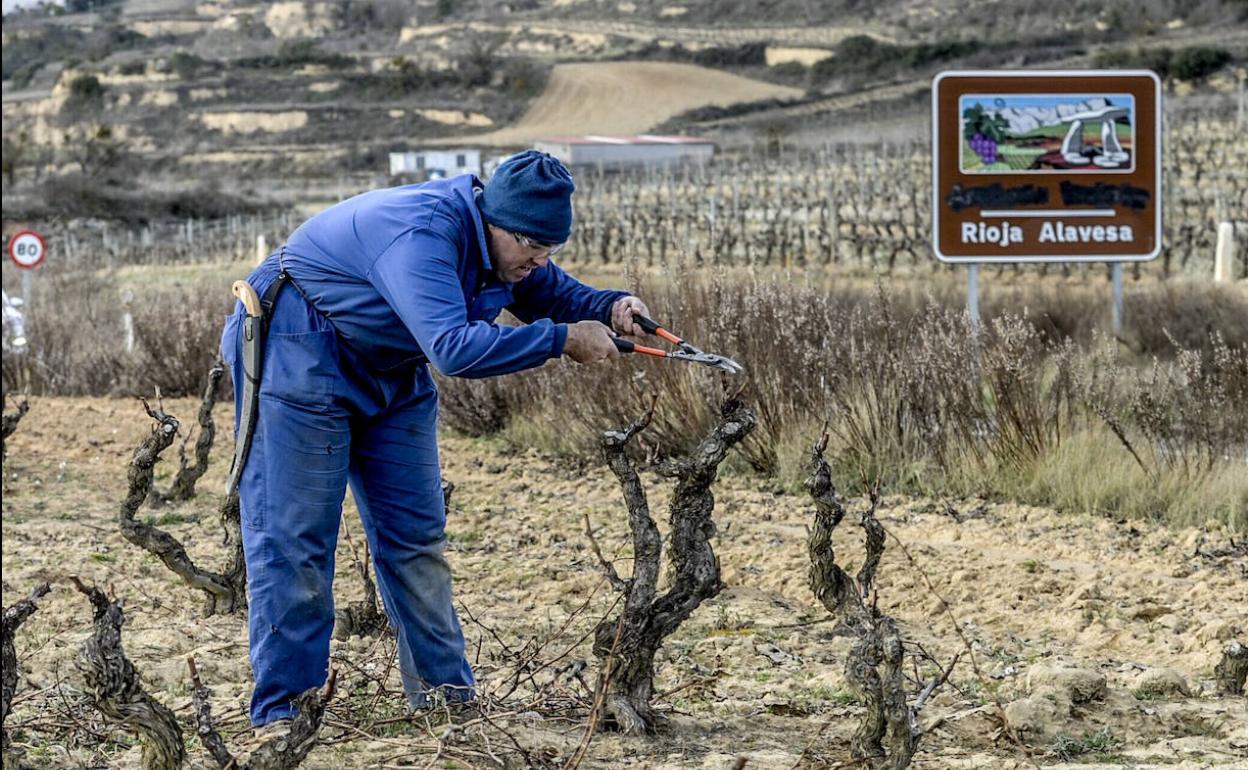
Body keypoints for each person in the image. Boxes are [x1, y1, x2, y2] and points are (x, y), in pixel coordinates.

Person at [220, 150, 650, 727]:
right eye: (532, 249)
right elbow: (453, 349)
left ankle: (447, 701)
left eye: (551, 250)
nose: (540, 262)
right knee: (297, 540)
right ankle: (285, 714)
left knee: (416, 537)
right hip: (298, 344)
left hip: (391, 363)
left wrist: (609, 306)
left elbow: (549, 292)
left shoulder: (507, 245)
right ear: (496, 222)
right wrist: (562, 340)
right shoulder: (424, 235)